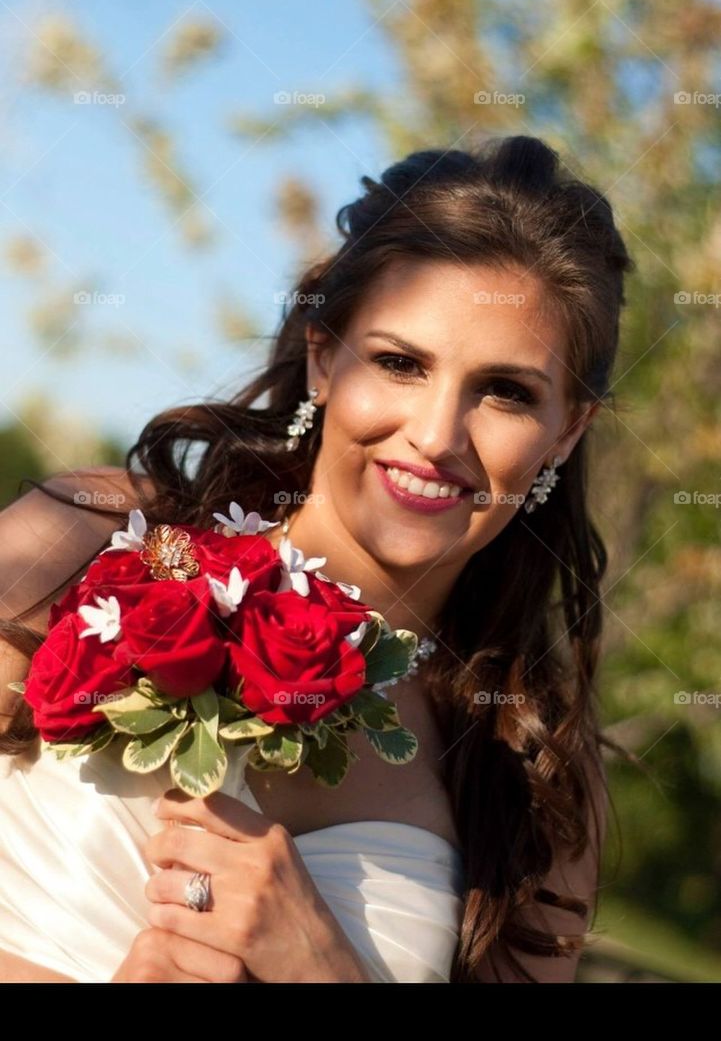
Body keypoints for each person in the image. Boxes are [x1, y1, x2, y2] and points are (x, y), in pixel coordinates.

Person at [0, 135, 633, 982]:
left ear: (568, 429)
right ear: (323, 356)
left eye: (505, 392)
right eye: (399, 362)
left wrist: (321, 965)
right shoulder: (84, 542)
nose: (436, 437)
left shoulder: (537, 773)